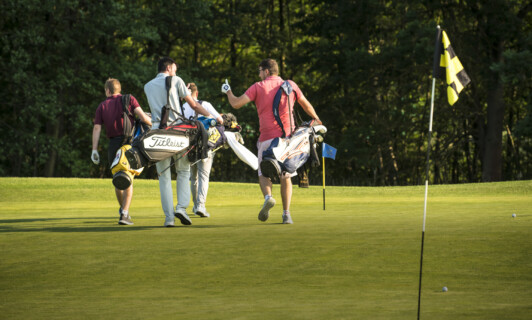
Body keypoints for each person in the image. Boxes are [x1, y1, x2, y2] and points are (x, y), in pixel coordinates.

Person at [221, 58, 322, 224]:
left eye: (260, 71)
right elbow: (305, 105)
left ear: (266, 71)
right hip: (289, 139)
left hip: (267, 139)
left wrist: (228, 91)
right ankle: (286, 214)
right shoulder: (291, 85)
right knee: (286, 176)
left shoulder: (258, 87)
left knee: (263, 172)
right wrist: (317, 119)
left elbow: (236, 104)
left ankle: (268, 197)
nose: (259, 74)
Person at [144, 57, 210, 227]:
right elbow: (194, 105)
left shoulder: (148, 86)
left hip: (157, 134)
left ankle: (169, 219)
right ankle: (181, 208)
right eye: (175, 67)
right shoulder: (176, 80)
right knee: (183, 171)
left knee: (163, 177)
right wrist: (210, 116)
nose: (176, 70)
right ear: (168, 67)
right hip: (177, 132)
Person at [91, 78, 152, 225]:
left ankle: (123, 211)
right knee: (128, 178)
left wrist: (94, 149)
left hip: (113, 145)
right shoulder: (129, 99)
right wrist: (154, 125)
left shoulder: (102, 106)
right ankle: (124, 214)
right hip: (129, 143)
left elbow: (97, 128)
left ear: (107, 90)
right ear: (119, 89)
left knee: (118, 179)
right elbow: (143, 117)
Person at [182, 83, 223, 218]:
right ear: (197, 93)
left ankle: (195, 206)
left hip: (189, 146)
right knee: (203, 176)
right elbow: (219, 120)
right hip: (206, 146)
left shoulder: (182, 107)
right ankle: (201, 205)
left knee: (193, 177)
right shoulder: (204, 104)